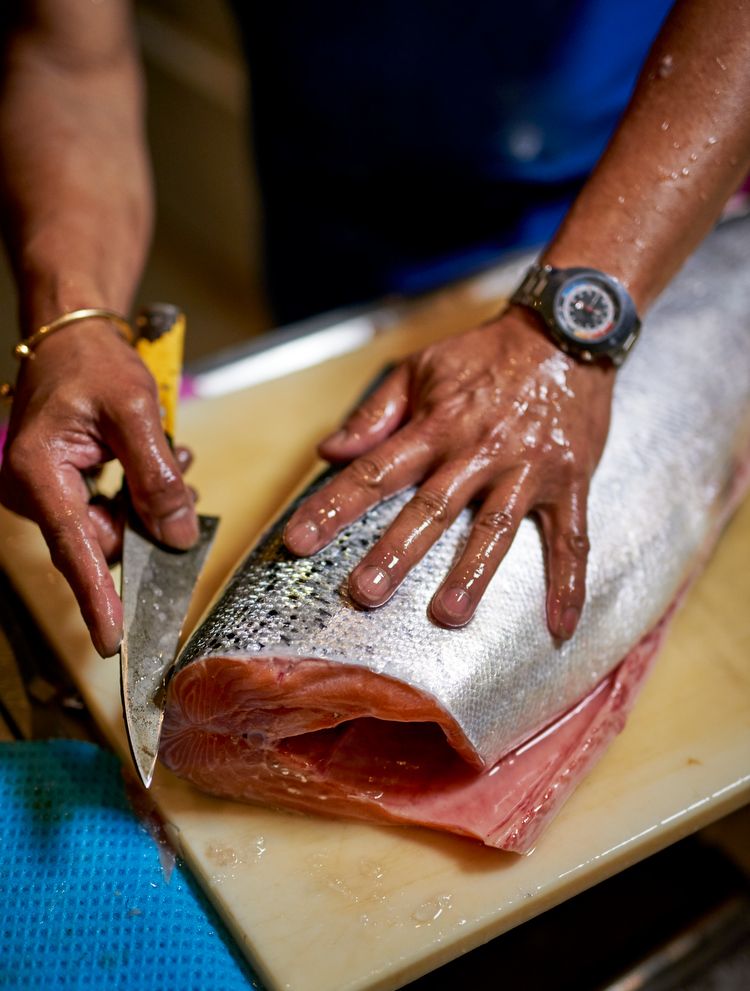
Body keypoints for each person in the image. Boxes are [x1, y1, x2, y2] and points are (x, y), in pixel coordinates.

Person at [0, 0, 748, 659]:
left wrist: (575, 323)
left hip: (637, 205)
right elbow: (71, 61)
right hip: (329, 209)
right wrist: (73, 317)